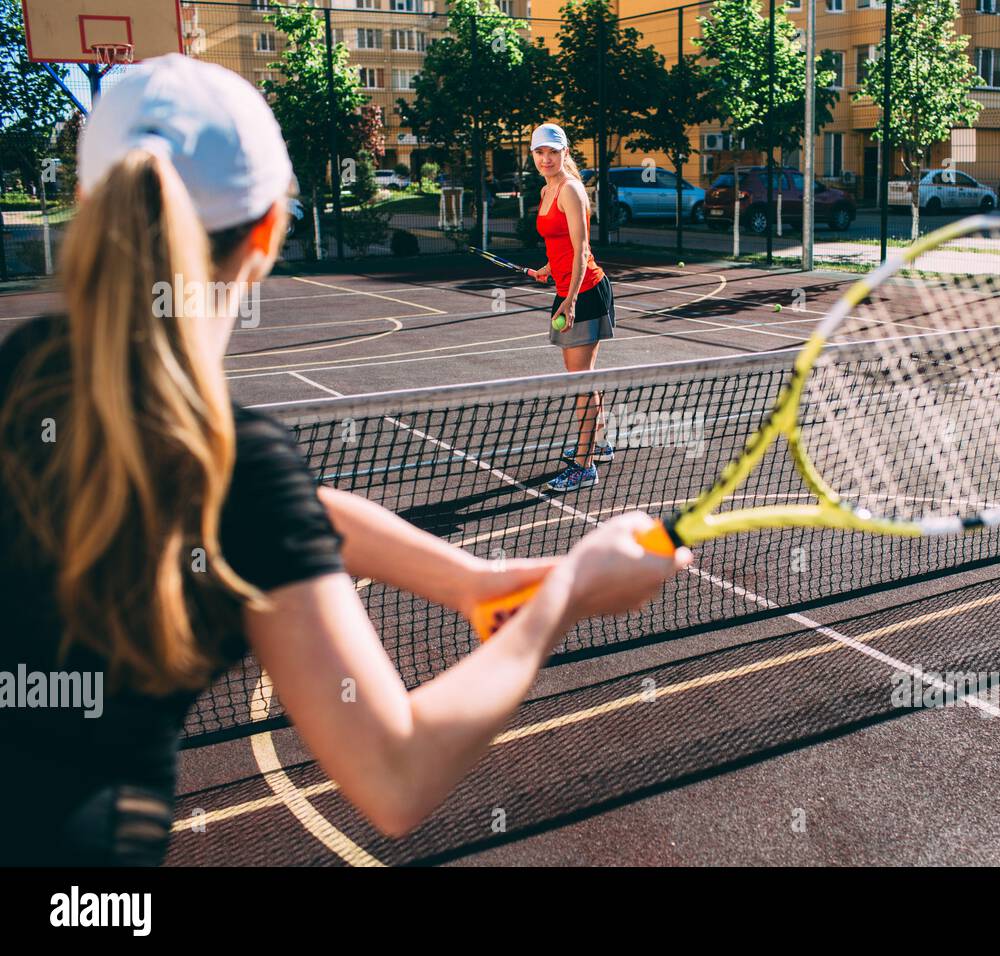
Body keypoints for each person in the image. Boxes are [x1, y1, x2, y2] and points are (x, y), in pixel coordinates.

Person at [0, 56, 690, 866]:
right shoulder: (235, 466)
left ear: (88, 206)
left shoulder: (28, 372)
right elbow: (394, 776)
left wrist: (465, 581)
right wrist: (569, 590)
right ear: (268, 233)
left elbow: (273, 509)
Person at [525, 124, 617, 493]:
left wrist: (571, 297)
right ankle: (598, 443)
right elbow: (559, 242)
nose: (546, 159)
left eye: (552, 152)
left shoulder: (571, 190)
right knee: (584, 376)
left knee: (580, 380)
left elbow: (581, 250)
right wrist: (549, 268)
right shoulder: (547, 188)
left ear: (565, 153)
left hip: (585, 291)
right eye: (539, 153)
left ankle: (585, 465)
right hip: (567, 287)